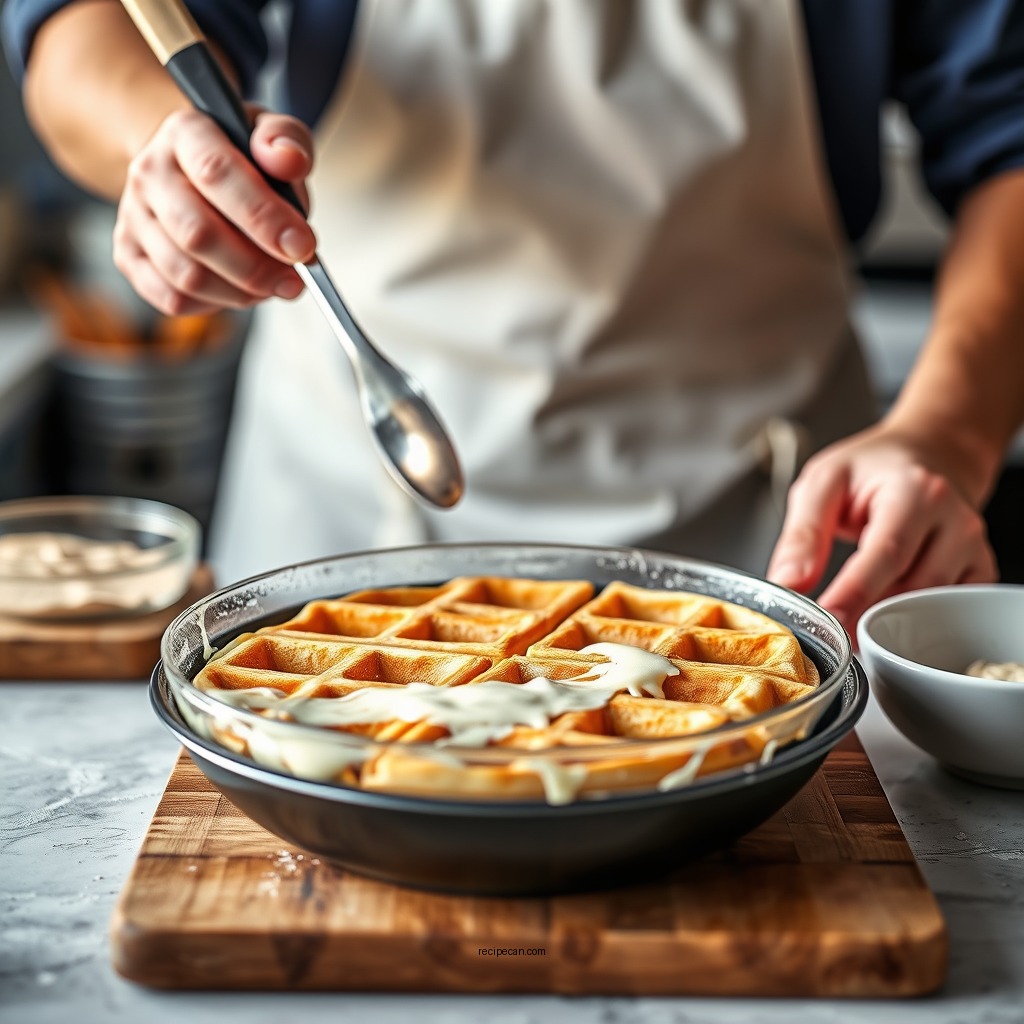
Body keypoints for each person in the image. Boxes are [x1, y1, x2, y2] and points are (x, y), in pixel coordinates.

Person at [5, 0, 1023, 636]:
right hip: (342, 534)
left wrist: (947, 429)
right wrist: (167, 146)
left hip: (775, 542)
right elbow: (84, 27)